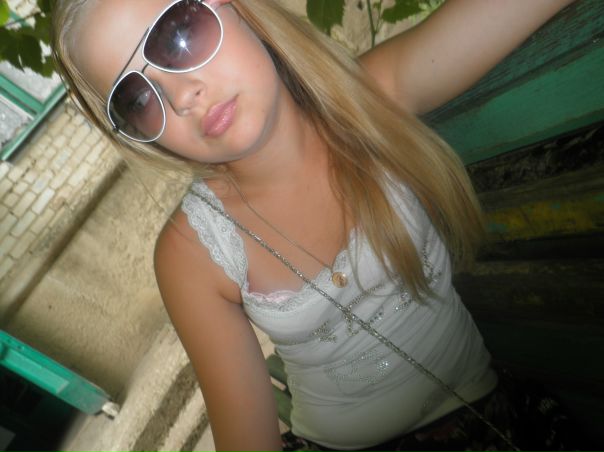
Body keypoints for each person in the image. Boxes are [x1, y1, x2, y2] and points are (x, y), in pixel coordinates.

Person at [50, 1, 583, 451]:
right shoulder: (192, 254)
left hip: (494, 417)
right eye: (137, 99)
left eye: (177, 32)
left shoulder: (369, 100)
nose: (180, 97)